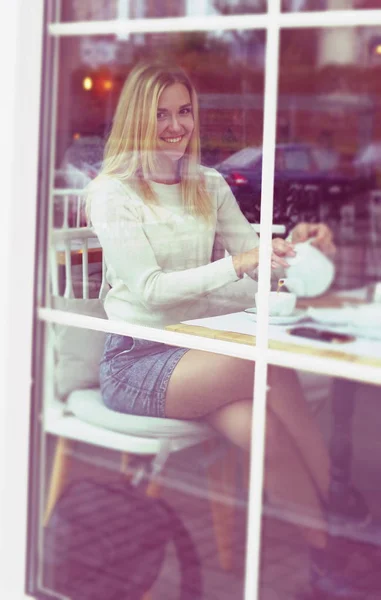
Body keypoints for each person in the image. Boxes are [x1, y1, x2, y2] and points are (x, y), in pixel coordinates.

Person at [87, 63, 364, 598]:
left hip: (200, 350)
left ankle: (326, 553)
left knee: (258, 426)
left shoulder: (206, 183)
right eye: (160, 114)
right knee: (264, 363)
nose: (175, 126)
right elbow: (150, 290)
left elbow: (258, 268)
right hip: (137, 360)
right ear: (136, 120)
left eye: (184, 111)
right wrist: (239, 262)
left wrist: (296, 249)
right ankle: (343, 506)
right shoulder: (112, 192)